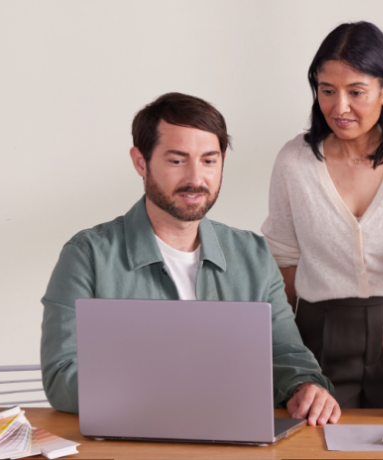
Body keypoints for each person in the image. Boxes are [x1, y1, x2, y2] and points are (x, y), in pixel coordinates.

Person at [40, 92, 341, 426]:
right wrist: (178, 393)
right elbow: (62, 376)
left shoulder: (253, 254)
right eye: (176, 160)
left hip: (233, 442)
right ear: (141, 162)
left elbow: (285, 353)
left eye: (209, 160)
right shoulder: (88, 256)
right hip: (132, 441)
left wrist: (305, 386)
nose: (196, 179)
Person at [261, 22, 383, 409]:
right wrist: (281, 349)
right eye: (327, 91)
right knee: (317, 446)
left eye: (356, 92)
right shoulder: (294, 161)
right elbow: (283, 262)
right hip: (321, 330)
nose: (338, 107)